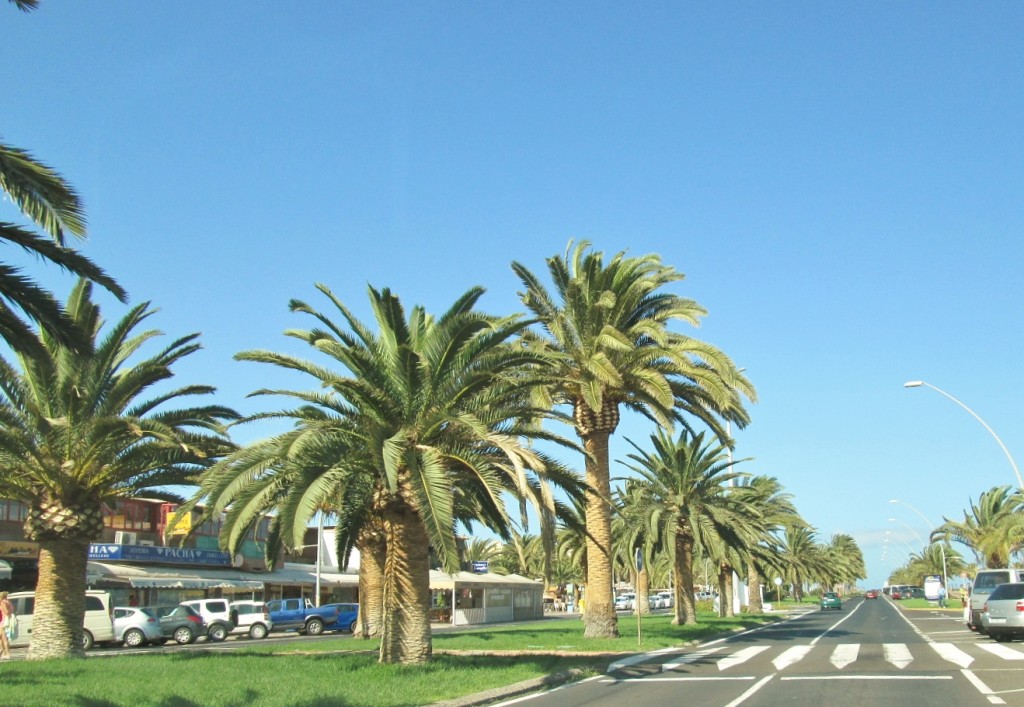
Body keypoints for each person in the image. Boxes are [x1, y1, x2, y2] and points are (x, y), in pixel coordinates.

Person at [0, 590, 14, 659]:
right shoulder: (9, 602)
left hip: (4, 621)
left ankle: (8, 654)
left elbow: (6, 611)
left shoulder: (3, 602)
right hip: (8, 620)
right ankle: (3, 652)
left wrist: (5, 612)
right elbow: (11, 611)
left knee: (4, 638)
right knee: (3, 638)